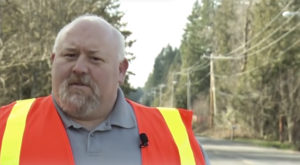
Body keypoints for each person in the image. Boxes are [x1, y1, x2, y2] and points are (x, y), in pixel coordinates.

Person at [0, 14, 210, 165]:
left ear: (121, 70)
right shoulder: (6, 127)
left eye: (95, 58)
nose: (79, 68)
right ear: (53, 61)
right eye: (70, 55)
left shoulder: (175, 138)